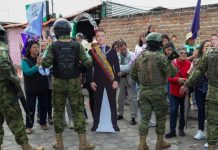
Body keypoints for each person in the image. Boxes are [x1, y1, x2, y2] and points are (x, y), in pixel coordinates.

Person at [41, 18, 94, 150]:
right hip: (74, 83)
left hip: (58, 83)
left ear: (57, 32)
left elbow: (45, 63)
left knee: (58, 112)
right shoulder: (78, 45)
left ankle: (59, 143)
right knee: (78, 111)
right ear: (69, 31)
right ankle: (83, 143)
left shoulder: (52, 46)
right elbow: (88, 63)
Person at [0, 25, 44, 150]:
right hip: (5, 91)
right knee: (16, 120)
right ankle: (26, 147)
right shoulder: (1, 47)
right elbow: (3, 63)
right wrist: (15, 79)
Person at [131, 32, 177, 150]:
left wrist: (143, 85)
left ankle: (142, 144)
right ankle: (159, 142)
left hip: (144, 92)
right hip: (158, 92)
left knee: (144, 118)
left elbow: (133, 75)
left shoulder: (140, 56)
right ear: (158, 44)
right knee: (160, 118)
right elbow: (173, 72)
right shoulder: (160, 56)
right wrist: (170, 60)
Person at [180, 45, 218, 150]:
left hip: (213, 94)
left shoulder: (211, 53)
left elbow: (198, 70)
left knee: (212, 122)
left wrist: (186, 84)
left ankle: (211, 146)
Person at [88, 29, 120, 132]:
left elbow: (117, 68)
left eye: (102, 36)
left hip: (110, 82)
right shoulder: (92, 52)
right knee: (97, 104)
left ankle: (114, 125)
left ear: (105, 37)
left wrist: (116, 80)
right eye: (98, 36)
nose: (100, 38)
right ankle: (96, 124)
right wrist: (91, 81)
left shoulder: (112, 51)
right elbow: (89, 68)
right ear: (96, 38)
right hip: (97, 82)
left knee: (112, 104)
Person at [21, 41, 49, 133]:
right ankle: (29, 126)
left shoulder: (42, 58)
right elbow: (28, 72)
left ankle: (43, 122)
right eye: (34, 47)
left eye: (37, 47)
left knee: (44, 106)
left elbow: (48, 69)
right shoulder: (25, 60)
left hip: (43, 87)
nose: (36, 49)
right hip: (31, 88)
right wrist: (37, 65)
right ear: (29, 49)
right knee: (30, 108)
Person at [187, 40, 212, 140]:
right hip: (199, 89)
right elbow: (190, 73)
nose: (209, 48)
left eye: (211, 46)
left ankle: (211, 133)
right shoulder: (197, 60)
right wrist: (194, 65)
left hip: (211, 90)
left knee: (211, 113)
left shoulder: (215, 58)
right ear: (202, 49)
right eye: (207, 46)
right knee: (201, 111)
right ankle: (201, 131)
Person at [165, 47, 191, 138]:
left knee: (183, 112)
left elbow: (192, 77)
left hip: (185, 93)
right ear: (177, 54)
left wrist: (185, 81)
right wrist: (177, 79)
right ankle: (172, 131)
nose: (183, 54)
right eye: (181, 53)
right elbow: (168, 77)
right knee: (173, 111)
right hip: (174, 92)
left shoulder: (190, 64)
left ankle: (181, 129)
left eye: (185, 53)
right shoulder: (173, 63)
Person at [117, 39, 138, 125]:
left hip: (130, 78)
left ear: (126, 46)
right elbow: (116, 67)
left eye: (124, 48)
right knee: (119, 97)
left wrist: (121, 68)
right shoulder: (116, 56)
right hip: (121, 78)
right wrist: (123, 68)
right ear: (118, 49)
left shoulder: (132, 55)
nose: (123, 50)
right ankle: (120, 114)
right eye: (121, 49)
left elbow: (130, 67)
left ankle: (133, 117)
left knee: (132, 98)